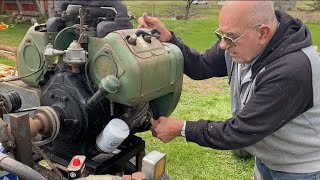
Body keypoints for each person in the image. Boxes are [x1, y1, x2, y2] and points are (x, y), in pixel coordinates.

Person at [138, 1, 320, 179]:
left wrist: (181, 128)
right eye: (222, 35)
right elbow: (201, 66)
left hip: (296, 166)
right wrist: (169, 38)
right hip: (267, 152)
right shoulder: (246, 43)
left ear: (263, 33)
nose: (223, 45)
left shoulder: (292, 70)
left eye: (230, 38)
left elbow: (240, 131)